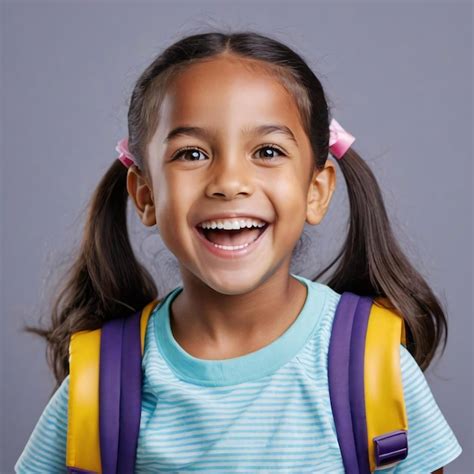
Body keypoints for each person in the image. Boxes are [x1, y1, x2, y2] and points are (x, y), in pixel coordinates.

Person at [15, 30, 462, 473]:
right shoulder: (98, 384)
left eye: (267, 151)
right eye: (191, 154)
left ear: (316, 190)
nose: (229, 182)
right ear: (146, 195)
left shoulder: (373, 365)